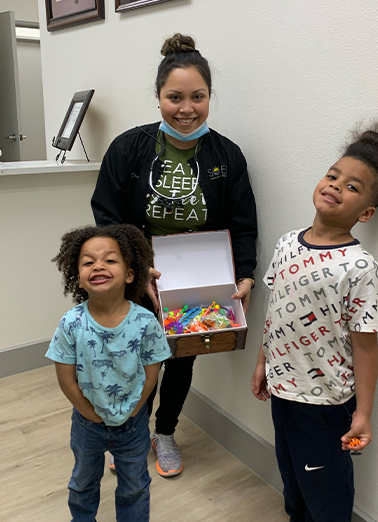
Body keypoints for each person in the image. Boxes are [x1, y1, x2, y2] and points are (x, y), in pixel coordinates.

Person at [91, 33, 257, 477]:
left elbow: (242, 224)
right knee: (133, 358)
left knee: (181, 358)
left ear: (209, 97)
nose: (187, 108)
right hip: (139, 274)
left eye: (197, 97)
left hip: (197, 279)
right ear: (159, 97)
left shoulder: (227, 156)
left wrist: (246, 276)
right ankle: (132, 433)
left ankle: (165, 432)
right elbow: (105, 213)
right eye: (175, 97)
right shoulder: (130, 148)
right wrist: (134, 265)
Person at [252, 124, 378, 522]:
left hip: (326, 402)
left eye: (352, 186)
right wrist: (263, 361)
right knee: (291, 469)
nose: (335, 186)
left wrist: (364, 414)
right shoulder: (286, 244)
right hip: (282, 390)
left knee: (326, 487)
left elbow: (366, 347)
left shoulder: (360, 267)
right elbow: (274, 311)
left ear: (366, 213)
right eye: (332, 175)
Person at [46, 224, 171, 522]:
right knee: (83, 481)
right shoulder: (72, 322)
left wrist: (137, 409)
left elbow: (153, 368)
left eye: (109, 260)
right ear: (78, 276)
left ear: (131, 274)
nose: (98, 266)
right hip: (87, 425)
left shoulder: (145, 322)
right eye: (88, 262)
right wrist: (87, 413)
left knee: (135, 485)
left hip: (133, 425)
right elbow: (65, 376)